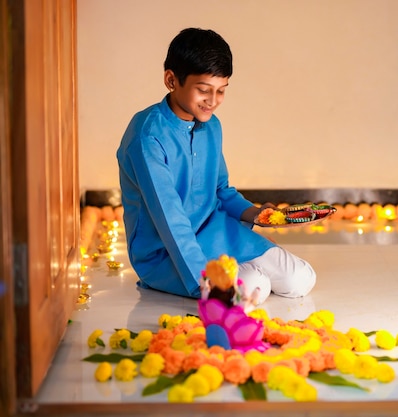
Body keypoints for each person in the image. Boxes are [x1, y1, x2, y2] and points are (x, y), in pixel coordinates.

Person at [116, 28, 316, 304]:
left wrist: (257, 215)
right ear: (171, 80)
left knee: (301, 279)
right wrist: (205, 283)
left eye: (221, 91)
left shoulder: (211, 126)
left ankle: (243, 271)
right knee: (254, 286)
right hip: (166, 252)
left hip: (217, 232)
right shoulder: (147, 137)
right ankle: (219, 278)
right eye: (203, 90)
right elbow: (170, 219)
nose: (213, 101)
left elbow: (221, 190)